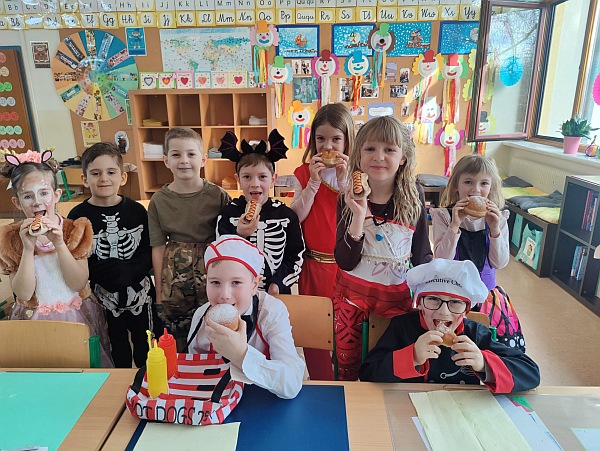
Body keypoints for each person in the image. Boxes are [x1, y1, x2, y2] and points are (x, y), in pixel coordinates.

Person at [334, 115, 432, 381]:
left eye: (389, 149)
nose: (379, 157)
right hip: (351, 302)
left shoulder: (413, 195)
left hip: (396, 303)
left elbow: (422, 253)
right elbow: (345, 261)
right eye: (370, 149)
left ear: (403, 157)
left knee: (391, 368)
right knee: (348, 372)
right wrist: (358, 215)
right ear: (358, 155)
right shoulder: (347, 197)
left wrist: (432, 295)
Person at [0, 149, 112, 367]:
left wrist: (60, 244)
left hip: (76, 316)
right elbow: (23, 293)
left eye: (43, 193)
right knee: (43, 370)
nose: (37, 202)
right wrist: (27, 249)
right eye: (27, 196)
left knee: (83, 368)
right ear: (17, 202)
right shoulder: (12, 239)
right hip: (34, 319)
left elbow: (78, 283)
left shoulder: (74, 230)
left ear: (57, 195)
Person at [359, 259, 540, 393]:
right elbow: (368, 373)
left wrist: (484, 363)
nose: (443, 312)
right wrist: (411, 356)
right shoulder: (402, 327)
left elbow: (531, 373)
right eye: (433, 299)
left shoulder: (475, 334)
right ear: (419, 303)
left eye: (455, 302)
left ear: (466, 310)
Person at [68, 143, 162, 368]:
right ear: (84, 179)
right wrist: (103, 274)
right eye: (95, 173)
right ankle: (119, 383)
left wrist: (129, 271)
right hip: (103, 295)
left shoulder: (137, 211)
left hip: (140, 293)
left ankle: (146, 380)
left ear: (123, 177)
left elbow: (147, 251)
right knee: (114, 345)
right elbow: (76, 257)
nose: (104, 179)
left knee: (146, 343)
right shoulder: (77, 216)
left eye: (111, 172)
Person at [187, 235, 305, 399]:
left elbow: (292, 384)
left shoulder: (271, 313)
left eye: (236, 282)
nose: (225, 295)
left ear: (254, 285)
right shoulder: (201, 316)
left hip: (265, 400)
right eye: (215, 282)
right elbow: (194, 371)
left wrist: (241, 355)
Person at [149, 127, 231, 351]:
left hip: (211, 268)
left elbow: (228, 241)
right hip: (174, 273)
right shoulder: (158, 201)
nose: (184, 160)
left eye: (191, 154)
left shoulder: (219, 196)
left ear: (203, 159)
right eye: (176, 154)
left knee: (215, 322)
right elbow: (157, 246)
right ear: (166, 160)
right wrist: (159, 292)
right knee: (177, 332)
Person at [290, 102, 353, 380]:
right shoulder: (303, 173)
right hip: (313, 267)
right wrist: (313, 184)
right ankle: (320, 381)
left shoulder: (356, 174)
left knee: (346, 331)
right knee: (314, 330)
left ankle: (347, 384)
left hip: (347, 269)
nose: (328, 146)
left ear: (347, 140)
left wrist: (345, 182)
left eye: (336, 139)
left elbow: (360, 216)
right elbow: (295, 218)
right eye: (321, 139)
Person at [217, 130, 304, 296]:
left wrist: (278, 283)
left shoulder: (286, 216)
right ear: (238, 179)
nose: (255, 184)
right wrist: (239, 235)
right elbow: (220, 256)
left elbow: (296, 256)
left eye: (262, 177)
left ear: (273, 179)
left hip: (277, 293)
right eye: (247, 177)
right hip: (238, 294)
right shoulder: (228, 213)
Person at [431, 154, 509, 293]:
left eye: (484, 183)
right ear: (456, 185)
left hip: (485, 293)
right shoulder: (443, 216)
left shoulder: (499, 219)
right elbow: (442, 259)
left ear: (491, 187)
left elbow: (499, 263)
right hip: (451, 293)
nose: (476, 189)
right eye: (468, 182)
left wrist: (495, 230)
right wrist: (454, 225)